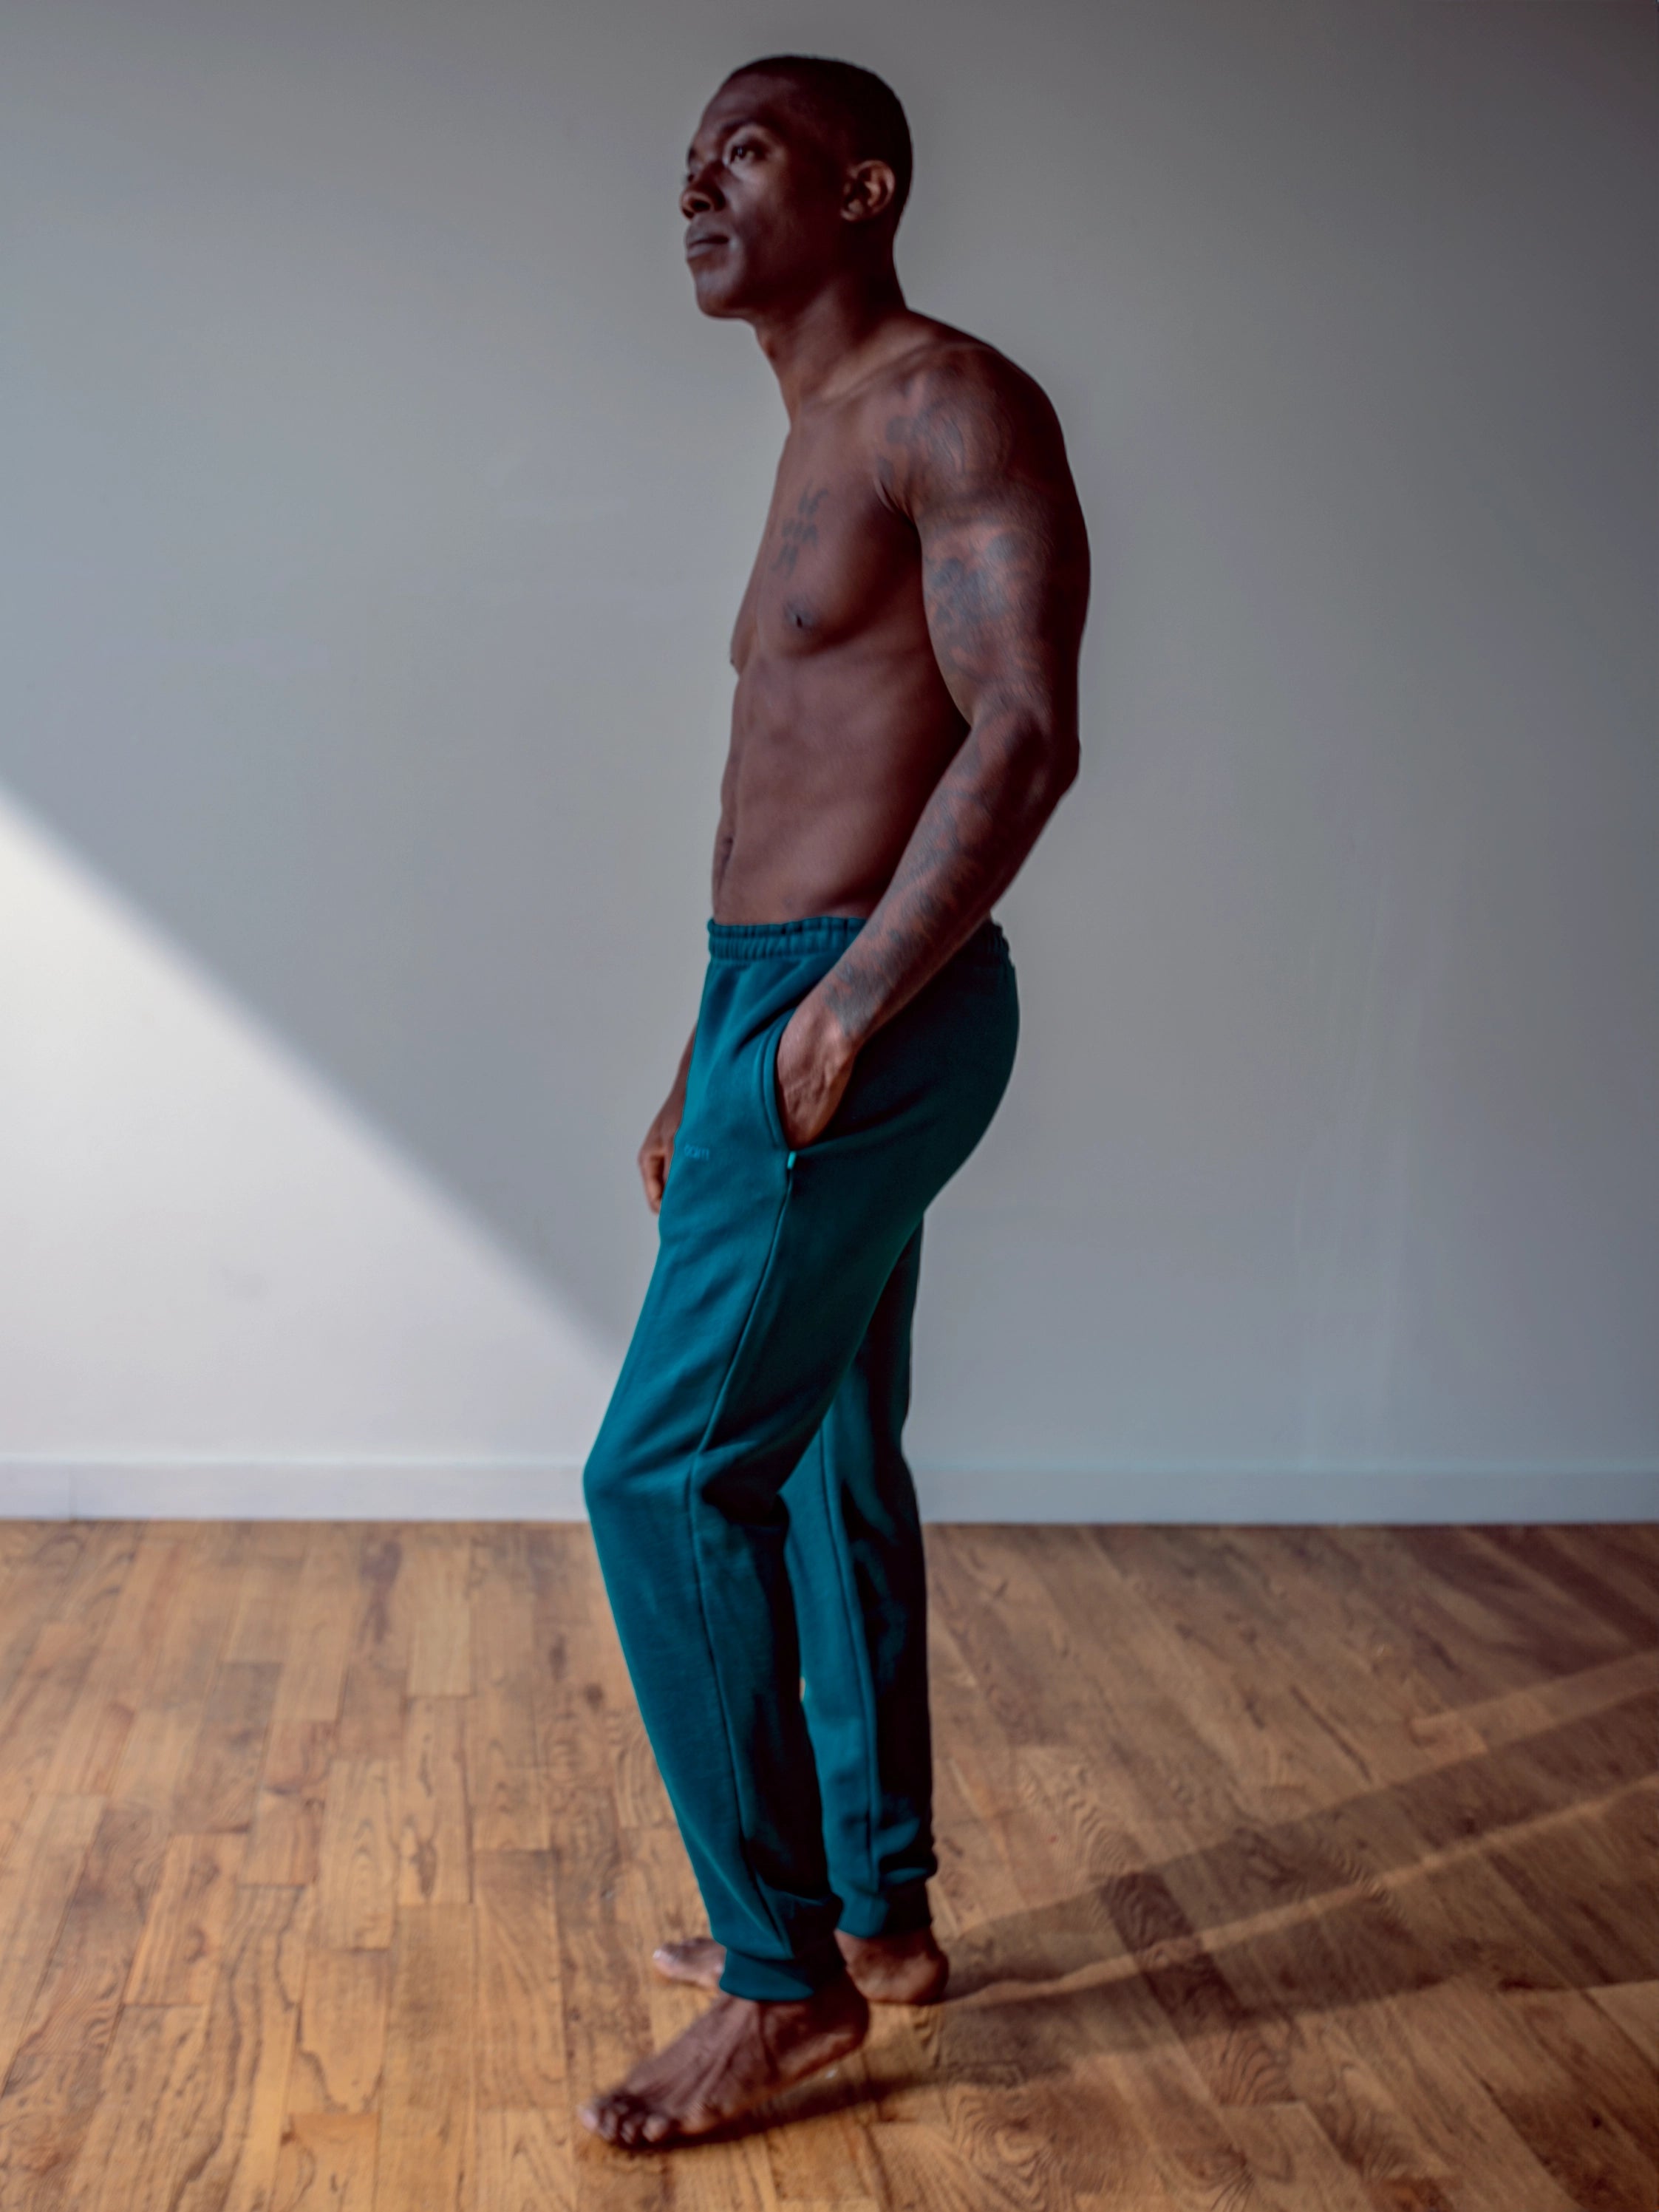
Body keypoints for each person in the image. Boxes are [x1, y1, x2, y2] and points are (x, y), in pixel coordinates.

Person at [577, 52, 1090, 2148]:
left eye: (749, 149)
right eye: (691, 155)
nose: (699, 183)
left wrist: (846, 1012)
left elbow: (1022, 729)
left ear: (864, 187)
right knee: (816, 1454)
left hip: (862, 1001)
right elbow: (806, 772)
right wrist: (703, 1048)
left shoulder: (950, 404)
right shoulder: (817, 424)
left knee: (658, 1475)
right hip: (774, 996)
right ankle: (874, 1915)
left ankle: (779, 1985)